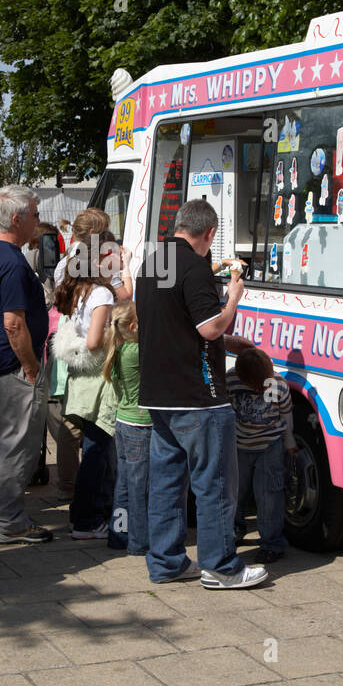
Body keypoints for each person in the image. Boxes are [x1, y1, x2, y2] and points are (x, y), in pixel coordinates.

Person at [135, 198, 267, 589]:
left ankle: (166, 561)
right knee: (214, 483)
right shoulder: (194, 268)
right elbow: (209, 328)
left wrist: (227, 337)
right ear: (209, 233)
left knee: (166, 483)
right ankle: (221, 566)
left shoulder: (154, 261)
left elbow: (173, 316)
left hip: (158, 394)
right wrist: (233, 297)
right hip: (199, 396)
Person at [0, 185, 52, 544]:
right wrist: (31, 367)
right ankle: (9, 521)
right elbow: (13, 323)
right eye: (34, 213)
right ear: (16, 218)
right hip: (9, 367)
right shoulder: (13, 262)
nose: (38, 220)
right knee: (16, 447)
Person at [52, 212, 124, 540]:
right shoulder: (101, 294)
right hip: (99, 380)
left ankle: (85, 516)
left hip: (81, 380)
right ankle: (87, 519)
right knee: (97, 453)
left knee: (94, 451)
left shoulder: (78, 289)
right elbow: (94, 341)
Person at [223, 343, 295, 564]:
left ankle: (272, 542)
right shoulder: (231, 380)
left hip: (269, 446)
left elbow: (286, 415)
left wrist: (289, 440)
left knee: (269, 495)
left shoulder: (278, 384)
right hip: (239, 446)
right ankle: (235, 529)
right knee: (235, 492)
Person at [101, 299, 149, 556]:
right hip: (140, 426)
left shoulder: (119, 348)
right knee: (140, 487)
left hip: (123, 422)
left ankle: (119, 534)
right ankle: (139, 541)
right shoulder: (136, 351)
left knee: (124, 483)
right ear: (133, 325)